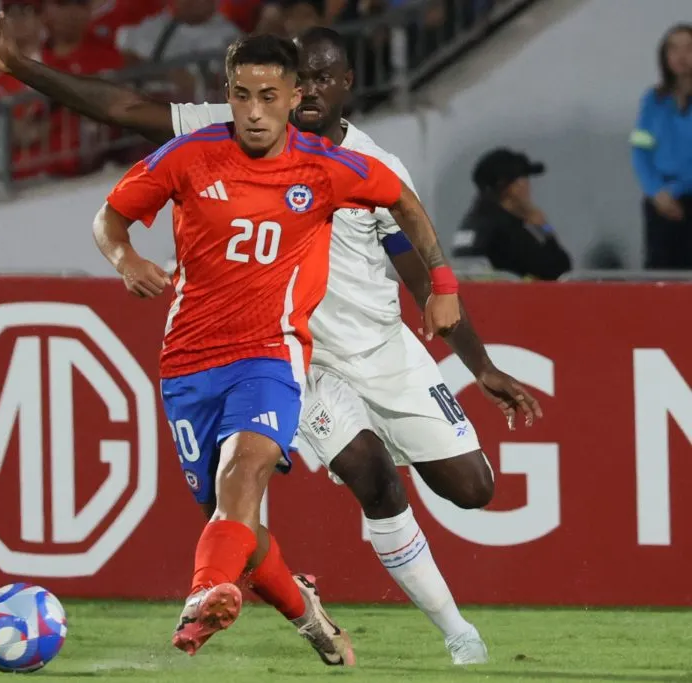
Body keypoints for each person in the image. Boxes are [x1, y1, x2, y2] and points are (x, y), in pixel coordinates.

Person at [0, 15, 539, 665]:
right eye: (282, 83)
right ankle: (453, 632)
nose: (304, 93)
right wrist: (24, 69)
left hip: (375, 346)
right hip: (290, 357)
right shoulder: (227, 123)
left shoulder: (361, 165)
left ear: (336, 86)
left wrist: (475, 356)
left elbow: (414, 255)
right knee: (347, 479)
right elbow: (124, 108)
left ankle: (245, 597)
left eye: (319, 80)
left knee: (472, 487)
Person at [92, 33, 459, 664]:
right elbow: (110, 217)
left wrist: (442, 281)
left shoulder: (325, 165)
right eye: (242, 96)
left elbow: (401, 198)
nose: (255, 111)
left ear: (295, 97)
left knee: (248, 469)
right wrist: (125, 259)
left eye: (269, 96)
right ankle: (309, 616)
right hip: (188, 362)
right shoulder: (188, 157)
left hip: (271, 353)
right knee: (239, 528)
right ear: (227, 95)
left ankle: (203, 596)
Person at [453, 148, 571, 280]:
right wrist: (544, 228)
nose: (528, 185)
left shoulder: (472, 224)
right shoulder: (507, 230)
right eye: (524, 178)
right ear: (508, 187)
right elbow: (560, 270)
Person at [630, 23, 692, 270]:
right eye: (673, 49)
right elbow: (640, 150)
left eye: (688, 48)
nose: (681, 56)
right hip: (659, 202)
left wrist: (675, 189)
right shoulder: (653, 100)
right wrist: (655, 190)